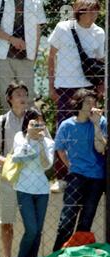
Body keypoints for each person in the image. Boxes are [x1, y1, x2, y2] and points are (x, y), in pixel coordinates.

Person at [48, 0, 105, 193]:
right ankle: (62, 176)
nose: (94, 16)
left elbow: (100, 61)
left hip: (88, 88)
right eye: (90, 12)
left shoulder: (99, 32)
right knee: (64, 132)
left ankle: (90, 174)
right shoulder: (63, 28)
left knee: (90, 130)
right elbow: (51, 57)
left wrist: (101, 86)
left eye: (96, 12)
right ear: (80, 12)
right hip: (64, 87)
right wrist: (51, 87)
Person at [53, 89, 106, 252]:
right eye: (88, 102)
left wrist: (96, 124)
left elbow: (102, 148)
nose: (92, 106)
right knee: (67, 219)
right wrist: (71, 166)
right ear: (79, 104)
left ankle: (76, 254)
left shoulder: (101, 121)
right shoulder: (67, 125)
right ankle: (57, 254)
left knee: (86, 220)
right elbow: (60, 149)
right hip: (76, 176)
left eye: (94, 102)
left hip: (97, 177)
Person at [0, 0, 46, 111]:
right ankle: (9, 126)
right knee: (6, 98)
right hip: (3, 56)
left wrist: (34, 54)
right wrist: (11, 39)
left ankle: (28, 126)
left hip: (26, 57)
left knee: (29, 99)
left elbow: (38, 29)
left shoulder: (36, 2)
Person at [11, 107, 54, 257]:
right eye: (34, 123)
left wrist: (41, 143)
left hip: (42, 190)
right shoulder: (19, 137)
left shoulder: (48, 142)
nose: (38, 126)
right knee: (31, 229)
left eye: (40, 122)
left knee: (38, 231)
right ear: (27, 123)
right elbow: (17, 158)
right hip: (23, 188)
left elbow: (46, 165)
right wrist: (29, 138)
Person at [0, 81, 27, 257]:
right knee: (7, 221)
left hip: (30, 177)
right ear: (9, 99)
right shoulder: (1, 121)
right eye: (18, 94)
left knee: (32, 223)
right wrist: (5, 160)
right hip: (9, 178)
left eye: (24, 94)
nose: (22, 98)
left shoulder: (35, 118)